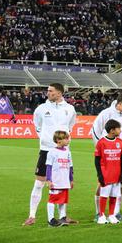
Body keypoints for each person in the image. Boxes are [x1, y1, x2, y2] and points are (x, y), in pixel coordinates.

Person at [26, 83, 77, 226]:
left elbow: (71, 126)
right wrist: (47, 140)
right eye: (48, 91)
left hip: (63, 152)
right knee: (39, 183)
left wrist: (64, 141)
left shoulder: (69, 109)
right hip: (46, 150)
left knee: (63, 183)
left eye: (51, 91)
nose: (48, 93)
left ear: (60, 93)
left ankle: (63, 216)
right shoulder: (41, 109)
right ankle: (32, 215)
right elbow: (37, 126)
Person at [90, 92, 122, 221]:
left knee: (119, 182)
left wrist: (121, 147)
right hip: (106, 154)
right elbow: (95, 130)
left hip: (120, 154)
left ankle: (115, 213)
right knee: (102, 182)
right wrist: (103, 148)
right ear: (119, 104)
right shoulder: (106, 113)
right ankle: (99, 213)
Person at [94, 119, 122, 225]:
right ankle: (101, 215)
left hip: (116, 174)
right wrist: (100, 175)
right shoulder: (101, 142)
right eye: (119, 128)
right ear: (112, 130)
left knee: (114, 195)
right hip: (106, 174)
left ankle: (111, 215)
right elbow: (97, 160)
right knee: (104, 195)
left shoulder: (120, 142)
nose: (120, 130)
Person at [44, 130, 75, 227]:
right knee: (52, 200)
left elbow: (70, 167)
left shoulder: (68, 152)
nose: (68, 140)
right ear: (58, 140)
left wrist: (71, 180)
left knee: (63, 200)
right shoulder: (52, 152)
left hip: (65, 181)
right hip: (56, 181)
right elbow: (48, 167)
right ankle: (51, 219)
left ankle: (62, 217)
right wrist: (49, 180)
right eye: (66, 138)